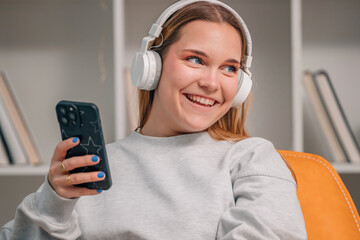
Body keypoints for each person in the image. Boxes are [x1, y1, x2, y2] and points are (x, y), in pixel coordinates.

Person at [1, 0, 307, 239]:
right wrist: (53, 203)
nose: (212, 83)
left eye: (229, 68)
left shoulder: (252, 158)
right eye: (195, 59)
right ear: (152, 66)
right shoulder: (90, 169)